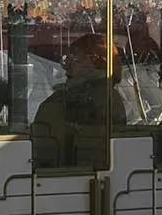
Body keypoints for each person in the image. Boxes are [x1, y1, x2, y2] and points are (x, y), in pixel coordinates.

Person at [31, 32, 126, 169]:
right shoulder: (86, 92)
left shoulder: (98, 95)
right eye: (66, 59)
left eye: (74, 58)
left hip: (79, 168)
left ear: (95, 61)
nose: (66, 66)